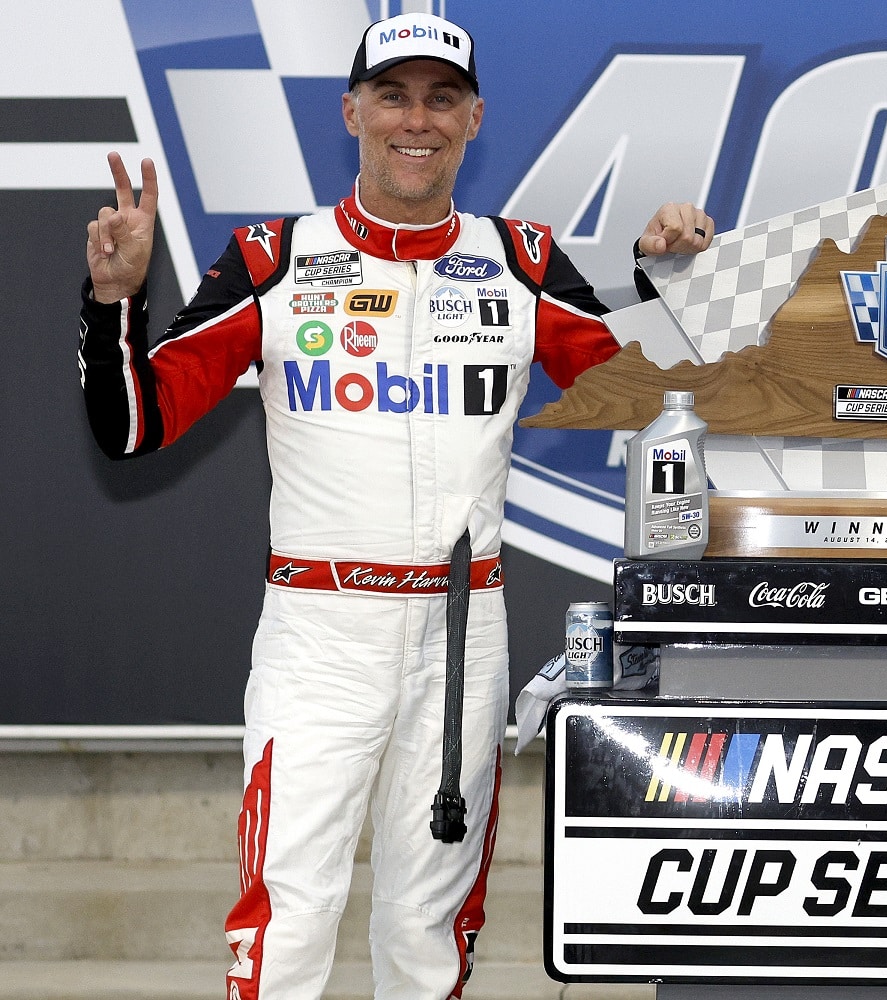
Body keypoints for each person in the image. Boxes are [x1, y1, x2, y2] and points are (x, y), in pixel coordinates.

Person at [77, 12, 713, 1000]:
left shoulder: (525, 260)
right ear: (353, 112)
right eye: (393, 95)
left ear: (473, 119)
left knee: (430, 928)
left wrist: (672, 270)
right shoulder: (273, 259)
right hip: (320, 631)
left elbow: (657, 392)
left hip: (464, 632)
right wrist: (116, 299)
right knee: (287, 916)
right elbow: (134, 426)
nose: (416, 120)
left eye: (441, 98)